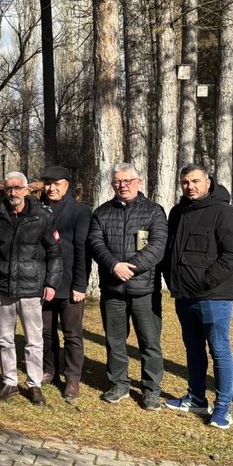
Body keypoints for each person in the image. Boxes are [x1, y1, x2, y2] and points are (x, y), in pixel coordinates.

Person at [162, 164, 233, 429]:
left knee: (219, 351)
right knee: (193, 348)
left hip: (213, 297)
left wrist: (205, 281)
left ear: (208, 182)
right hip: (183, 296)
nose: (190, 186)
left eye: (196, 181)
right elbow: (170, 252)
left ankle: (223, 408)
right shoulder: (177, 212)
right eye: (185, 182)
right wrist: (171, 279)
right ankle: (197, 397)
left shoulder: (224, 212)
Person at [87, 162, 167, 410]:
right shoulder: (102, 212)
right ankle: (119, 383)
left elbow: (157, 247)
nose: (123, 186)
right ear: (113, 184)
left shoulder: (154, 211)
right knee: (115, 340)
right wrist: (113, 266)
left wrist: (129, 267)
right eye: (118, 182)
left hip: (144, 289)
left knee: (149, 341)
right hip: (113, 290)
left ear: (139, 182)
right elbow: (95, 243)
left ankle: (151, 389)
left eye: (128, 181)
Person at [0, 172, 62, 406]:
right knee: (5, 339)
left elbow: (55, 253)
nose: (13, 193)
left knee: (34, 340)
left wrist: (51, 283)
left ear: (27, 190)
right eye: (9, 189)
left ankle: (34, 385)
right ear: (4, 191)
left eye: (17, 188)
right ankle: (9, 382)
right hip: (2, 286)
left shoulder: (42, 216)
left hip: (31, 287)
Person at [39, 166, 91, 403]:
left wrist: (80, 284)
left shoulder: (79, 211)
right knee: (46, 332)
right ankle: (49, 369)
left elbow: (82, 250)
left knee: (72, 334)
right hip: (43, 281)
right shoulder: (37, 208)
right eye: (47, 183)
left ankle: (72, 378)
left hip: (70, 281)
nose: (51, 188)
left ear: (67, 185)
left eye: (56, 183)